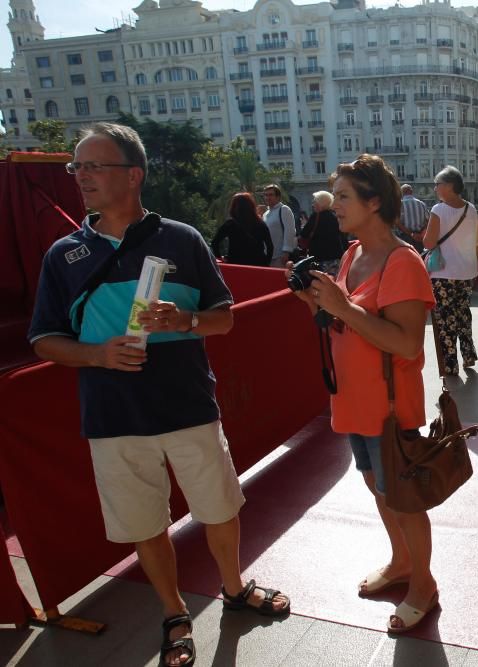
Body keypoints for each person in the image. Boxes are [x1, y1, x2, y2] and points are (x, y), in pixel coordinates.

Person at [28, 123, 289, 667]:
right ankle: (174, 612)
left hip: (189, 405)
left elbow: (223, 321)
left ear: (133, 174)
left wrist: (186, 318)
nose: (82, 177)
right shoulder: (63, 255)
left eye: (94, 165)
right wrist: (99, 355)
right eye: (78, 167)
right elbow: (45, 341)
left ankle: (234, 589)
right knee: (145, 522)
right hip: (113, 416)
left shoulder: (183, 239)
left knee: (218, 508)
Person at [288, 154, 438, 633]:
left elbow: (406, 343)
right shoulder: (353, 255)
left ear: (375, 202)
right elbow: (348, 320)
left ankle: (425, 584)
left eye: (345, 197)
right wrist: (318, 302)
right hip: (354, 398)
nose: (335, 205)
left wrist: (342, 307)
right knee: (378, 487)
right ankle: (400, 562)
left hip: (390, 406)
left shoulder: (403, 262)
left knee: (404, 498)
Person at [423, 165, 478, 375]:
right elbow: (477, 240)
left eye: (438, 184)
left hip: (444, 274)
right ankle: (469, 355)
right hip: (466, 272)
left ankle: (450, 364)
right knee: (463, 314)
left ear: (449, 186)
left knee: (445, 320)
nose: (435, 188)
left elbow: (429, 243)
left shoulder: (439, 210)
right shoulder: (471, 209)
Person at [210, 191, 274, 266]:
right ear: (251, 206)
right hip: (257, 265)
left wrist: (220, 259)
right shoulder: (261, 224)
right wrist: (265, 263)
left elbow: (215, 242)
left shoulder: (230, 224)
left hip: (235, 265)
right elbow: (270, 247)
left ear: (234, 206)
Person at [299, 190, 348, 273]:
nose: (313, 205)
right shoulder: (335, 216)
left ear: (321, 203)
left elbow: (304, 234)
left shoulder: (315, 216)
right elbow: (343, 236)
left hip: (319, 258)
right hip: (336, 257)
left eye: (314, 202)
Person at [262, 184, 297, 268]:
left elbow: (290, 231)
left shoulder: (284, 209)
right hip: (268, 255)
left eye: (271, 195)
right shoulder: (265, 213)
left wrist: (286, 252)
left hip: (280, 256)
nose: (267, 197)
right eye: (266, 195)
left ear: (278, 197)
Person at [397, 183, 430, 253]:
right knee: (419, 257)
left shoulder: (400, 204)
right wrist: (421, 234)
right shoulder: (422, 204)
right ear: (411, 192)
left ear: (402, 193)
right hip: (419, 238)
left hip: (405, 237)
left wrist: (412, 234)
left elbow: (398, 223)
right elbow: (428, 221)